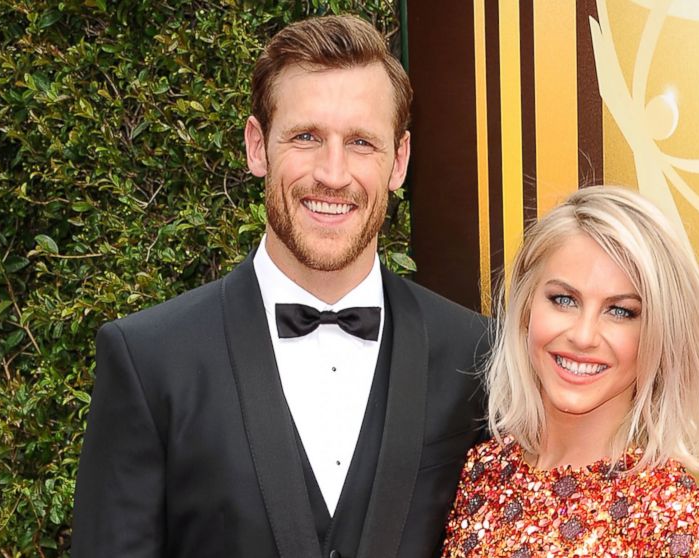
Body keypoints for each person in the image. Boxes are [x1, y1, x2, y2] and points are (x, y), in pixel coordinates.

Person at [72, 15, 490, 558]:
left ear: (399, 160)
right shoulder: (150, 359)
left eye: (362, 142)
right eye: (306, 137)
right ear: (257, 147)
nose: (333, 174)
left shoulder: (476, 354)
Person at [441, 186, 699, 557]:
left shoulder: (675, 524)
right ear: (525, 309)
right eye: (564, 300)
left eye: (620, 311)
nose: (583, 336)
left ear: (661, 335)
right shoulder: (481, 470)